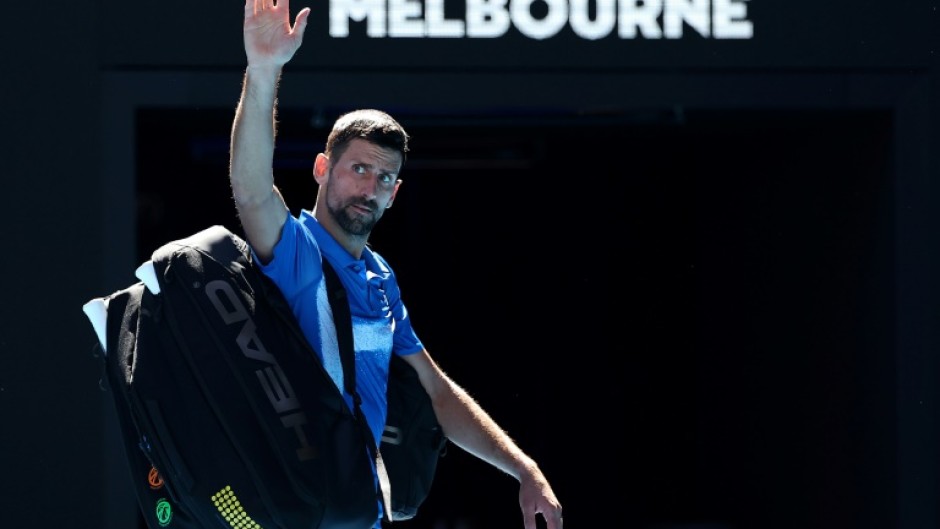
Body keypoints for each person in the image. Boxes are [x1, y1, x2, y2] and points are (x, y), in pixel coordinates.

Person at [228, 0, 564, 528]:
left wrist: (524, 469)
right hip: (297, 514)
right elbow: (250, 192)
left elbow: (437, 393)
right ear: (322, 168)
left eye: (384, 179)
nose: (370, 188)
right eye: (358, 169)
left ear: (396, 192)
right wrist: (264, 68)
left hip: (361, 514)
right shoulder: (296, 252)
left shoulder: (381, 279)